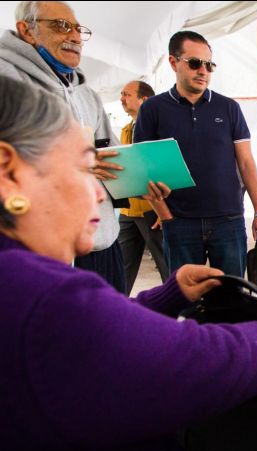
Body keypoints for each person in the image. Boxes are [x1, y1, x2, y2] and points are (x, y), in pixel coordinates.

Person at [0, 75, 257, 451]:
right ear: (10, 172)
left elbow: (91, 340)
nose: (98, 194)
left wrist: (166, 295)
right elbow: (202, 363)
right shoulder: (36, 296)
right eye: (85, 169)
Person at [0, 0, 146, 293]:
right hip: (37, 249)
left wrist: (143, 181)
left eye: (79, 30)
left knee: (109, 329)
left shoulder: (86, 94)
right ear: (26, 30)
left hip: (101, 241)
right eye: (61, 26)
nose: (76, 37)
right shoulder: (7, 82)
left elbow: (111, 155)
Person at [134, 30, 257, 277]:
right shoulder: (152, 110)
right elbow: (142, 170)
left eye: (209, 65)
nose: (203, 71)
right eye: (195, 63)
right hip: (180, 223)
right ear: (174, 63)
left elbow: (247, 163)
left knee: (233, 299)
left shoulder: (229, 108)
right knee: (186, 300)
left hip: (228, 221)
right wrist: (166, 217)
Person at [117, 80, 170, 294]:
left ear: (145, 99)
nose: (121, 98)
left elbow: (167, 168)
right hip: (128, 209)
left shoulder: (160, 128)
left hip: (152, 209)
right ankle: (115, 313)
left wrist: (164, 208)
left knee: (167, 267)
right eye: (121, 94)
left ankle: (181, 313)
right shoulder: (125, 129)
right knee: (121, 268)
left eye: (127, 94)